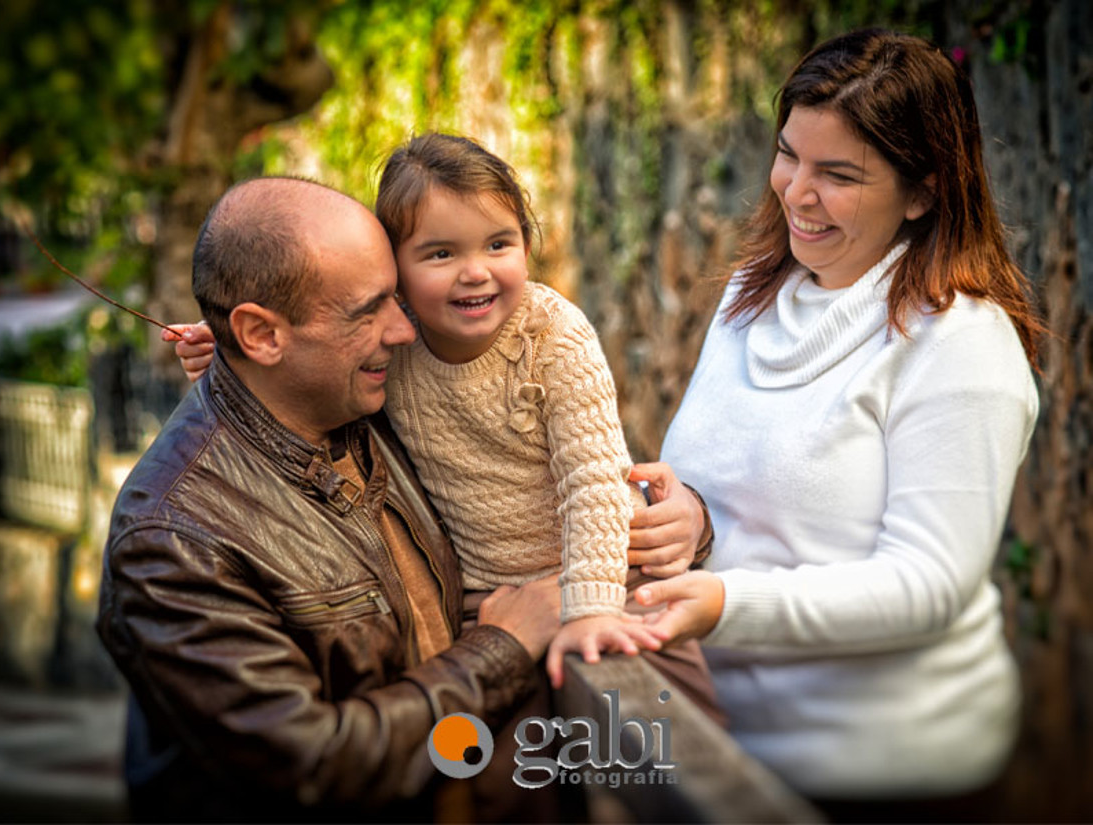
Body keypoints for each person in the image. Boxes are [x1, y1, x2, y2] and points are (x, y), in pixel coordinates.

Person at [631, 27, 1043, 821]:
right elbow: (755, 497)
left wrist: (722, 602)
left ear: (924, 191)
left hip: (891, 773)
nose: (795, 191)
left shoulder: (959, 344)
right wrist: (698, 520)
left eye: (839, 174)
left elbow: (927, 585)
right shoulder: (755, 289)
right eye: (789, 154)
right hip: (731, 744)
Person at [170, 134, 724, 716]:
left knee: (666, 742)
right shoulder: (395, 342)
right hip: (487, 599)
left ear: (527, 247)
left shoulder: (552, 336)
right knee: (520, 773)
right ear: (396, 275)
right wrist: (232, 347)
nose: (475, 272)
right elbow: (300, 364)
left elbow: (593, 484)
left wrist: (591, 608)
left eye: (498, 244)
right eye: (441, 254)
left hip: (612, 579)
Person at [97, 177, 568, 823]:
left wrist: (685, 515)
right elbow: (315, 765)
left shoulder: (375, 403)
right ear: (261, 335)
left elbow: (537, 482)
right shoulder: (173, 537)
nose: (404, 329)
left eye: (397, 298)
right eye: (368, 310)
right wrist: (502, 649)